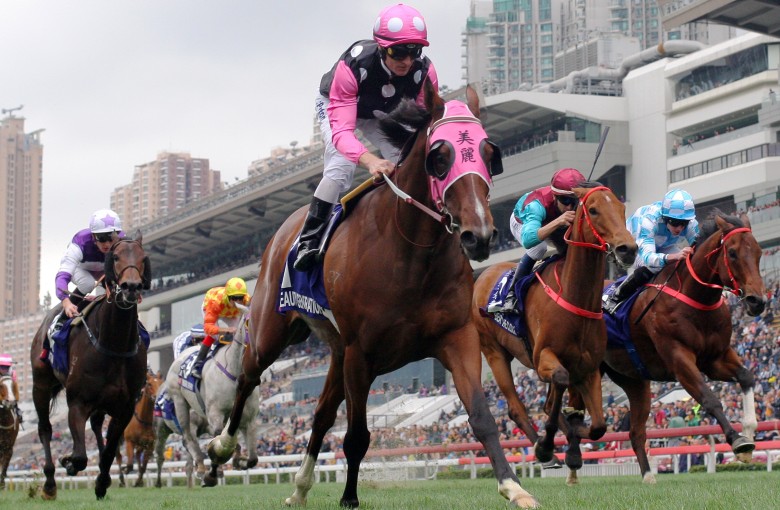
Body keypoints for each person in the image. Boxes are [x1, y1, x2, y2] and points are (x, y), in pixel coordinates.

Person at [293, 3, 439, 271]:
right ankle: (309, 240)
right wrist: (371, 161)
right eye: (398, 52)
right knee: (341, 165)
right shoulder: (354, 64)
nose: (407, 60)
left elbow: (424, 128)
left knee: (408, 159)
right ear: (382, 47)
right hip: (337, 104)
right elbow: (342, 133)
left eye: (414, 51)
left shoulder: (425, 72)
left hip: (379, 110)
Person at [487, 167, 585, 313]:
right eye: (565, 201)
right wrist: (559, 221)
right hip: (522, 222)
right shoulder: (536, 206)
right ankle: (511, 295)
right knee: (539, 248)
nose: (570, 206)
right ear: (554, 196)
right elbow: (528, 240)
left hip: (550, 220)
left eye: (574, 201)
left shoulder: (573, 205)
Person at [40, 209, 125, 360]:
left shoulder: (123, 241)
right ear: (93, 236)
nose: (107, 244)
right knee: (87, 284)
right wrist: (65, 302)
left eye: (111, 238)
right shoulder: (80, 242)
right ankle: (61, 319)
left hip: (105, 270)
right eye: (102, 238)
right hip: (81, 269)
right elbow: (62, 276)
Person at [603, 189, 699, 314]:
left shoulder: (691, 223)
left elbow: (700, 248)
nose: (680, 228)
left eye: (684, 223)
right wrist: (674, 256)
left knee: (684, 261)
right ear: (665, 217)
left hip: (664, 244)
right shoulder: (648, 220)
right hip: (635, 245)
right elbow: (648, 257)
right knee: (653, 266)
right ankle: (615, 296)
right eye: (675, 223)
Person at [190, 277, 251, 379]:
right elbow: (208, 328)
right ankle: (197, 365)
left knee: (240, 333)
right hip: (214, 309)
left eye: (240, 298)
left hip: (230, 313)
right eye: (234, 298)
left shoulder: (247, 300)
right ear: (227, 296)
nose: (238, 301)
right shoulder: (215, 303)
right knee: (214, 335)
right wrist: (226, 330)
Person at [0, 353, 22, 423]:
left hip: (10, 396)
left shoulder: (13, 373)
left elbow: (15, 388)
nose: (4, 369)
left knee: (15, 406)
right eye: (2, 367)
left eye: (6, 367)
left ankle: (18, 414)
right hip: (2, 395)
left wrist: (16, 398)